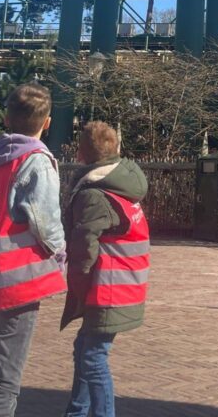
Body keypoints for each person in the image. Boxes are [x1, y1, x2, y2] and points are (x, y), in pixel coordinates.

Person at [0, 82, 66, 417]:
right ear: (46, 122)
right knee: (7, 376)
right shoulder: (36, 162)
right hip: (19, 284)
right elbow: (46, 222)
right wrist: (63, 257)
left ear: (6, 118)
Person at [61, 121, 150, 417]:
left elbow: (83, 248)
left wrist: (76, 284)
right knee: (86, 349)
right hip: (125, 284)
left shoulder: (94, 194)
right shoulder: (120, 184)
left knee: (94, 357)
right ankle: (76, 411)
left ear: (81, 153)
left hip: (108, 287)